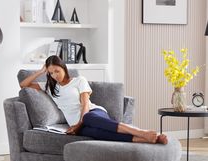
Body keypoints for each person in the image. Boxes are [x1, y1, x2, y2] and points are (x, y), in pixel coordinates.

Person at [20, 55, 168, 144]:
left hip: (92, 113)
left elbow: (85, 104)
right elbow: (23, 85)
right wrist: (40, 71)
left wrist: (79, 123)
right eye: (51, 73)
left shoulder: (79, 80)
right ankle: (148, 139)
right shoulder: (49, 87)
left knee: (90, 119)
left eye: (57, 71)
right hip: (78, 124)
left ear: (64, 68)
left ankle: (142, 132)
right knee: (97, 134)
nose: (55, 75)